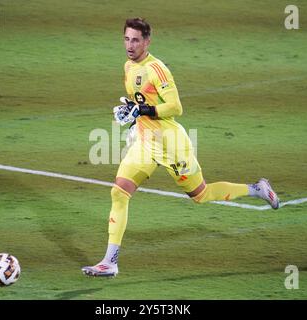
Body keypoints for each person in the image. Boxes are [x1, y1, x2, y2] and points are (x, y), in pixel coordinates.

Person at [82, 18, 280, 277]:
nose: (130, 45)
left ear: (147, 41)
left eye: (136, 40)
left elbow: (176, 107)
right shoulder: (129, 66)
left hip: (171, 145)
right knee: (119, 192)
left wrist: (143, 109)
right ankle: (110, 261)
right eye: (126, 39)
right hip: (145, 142)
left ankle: (256, 189)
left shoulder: (157, 69)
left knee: (200, 195)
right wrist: (131, 111)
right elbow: (140, 100)